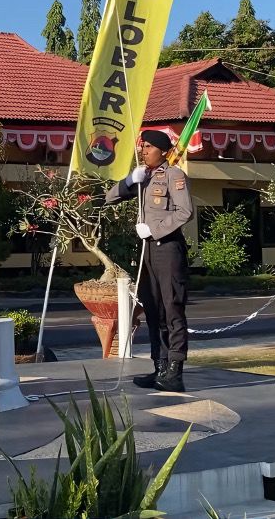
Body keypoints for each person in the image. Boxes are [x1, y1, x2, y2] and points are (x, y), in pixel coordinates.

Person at [106, 130, 195, 392]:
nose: (143, 151)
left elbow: (185, 212)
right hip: (147, 252)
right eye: (142, 146)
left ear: (162, 151)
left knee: (172, 309)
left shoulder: (174, 175)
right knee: (153, 310)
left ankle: (175, 372)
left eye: (148, 147)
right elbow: (110, 197)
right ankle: (160, 366)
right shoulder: (143, 177)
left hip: (167, 248)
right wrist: (129, 180)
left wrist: (154, 230)